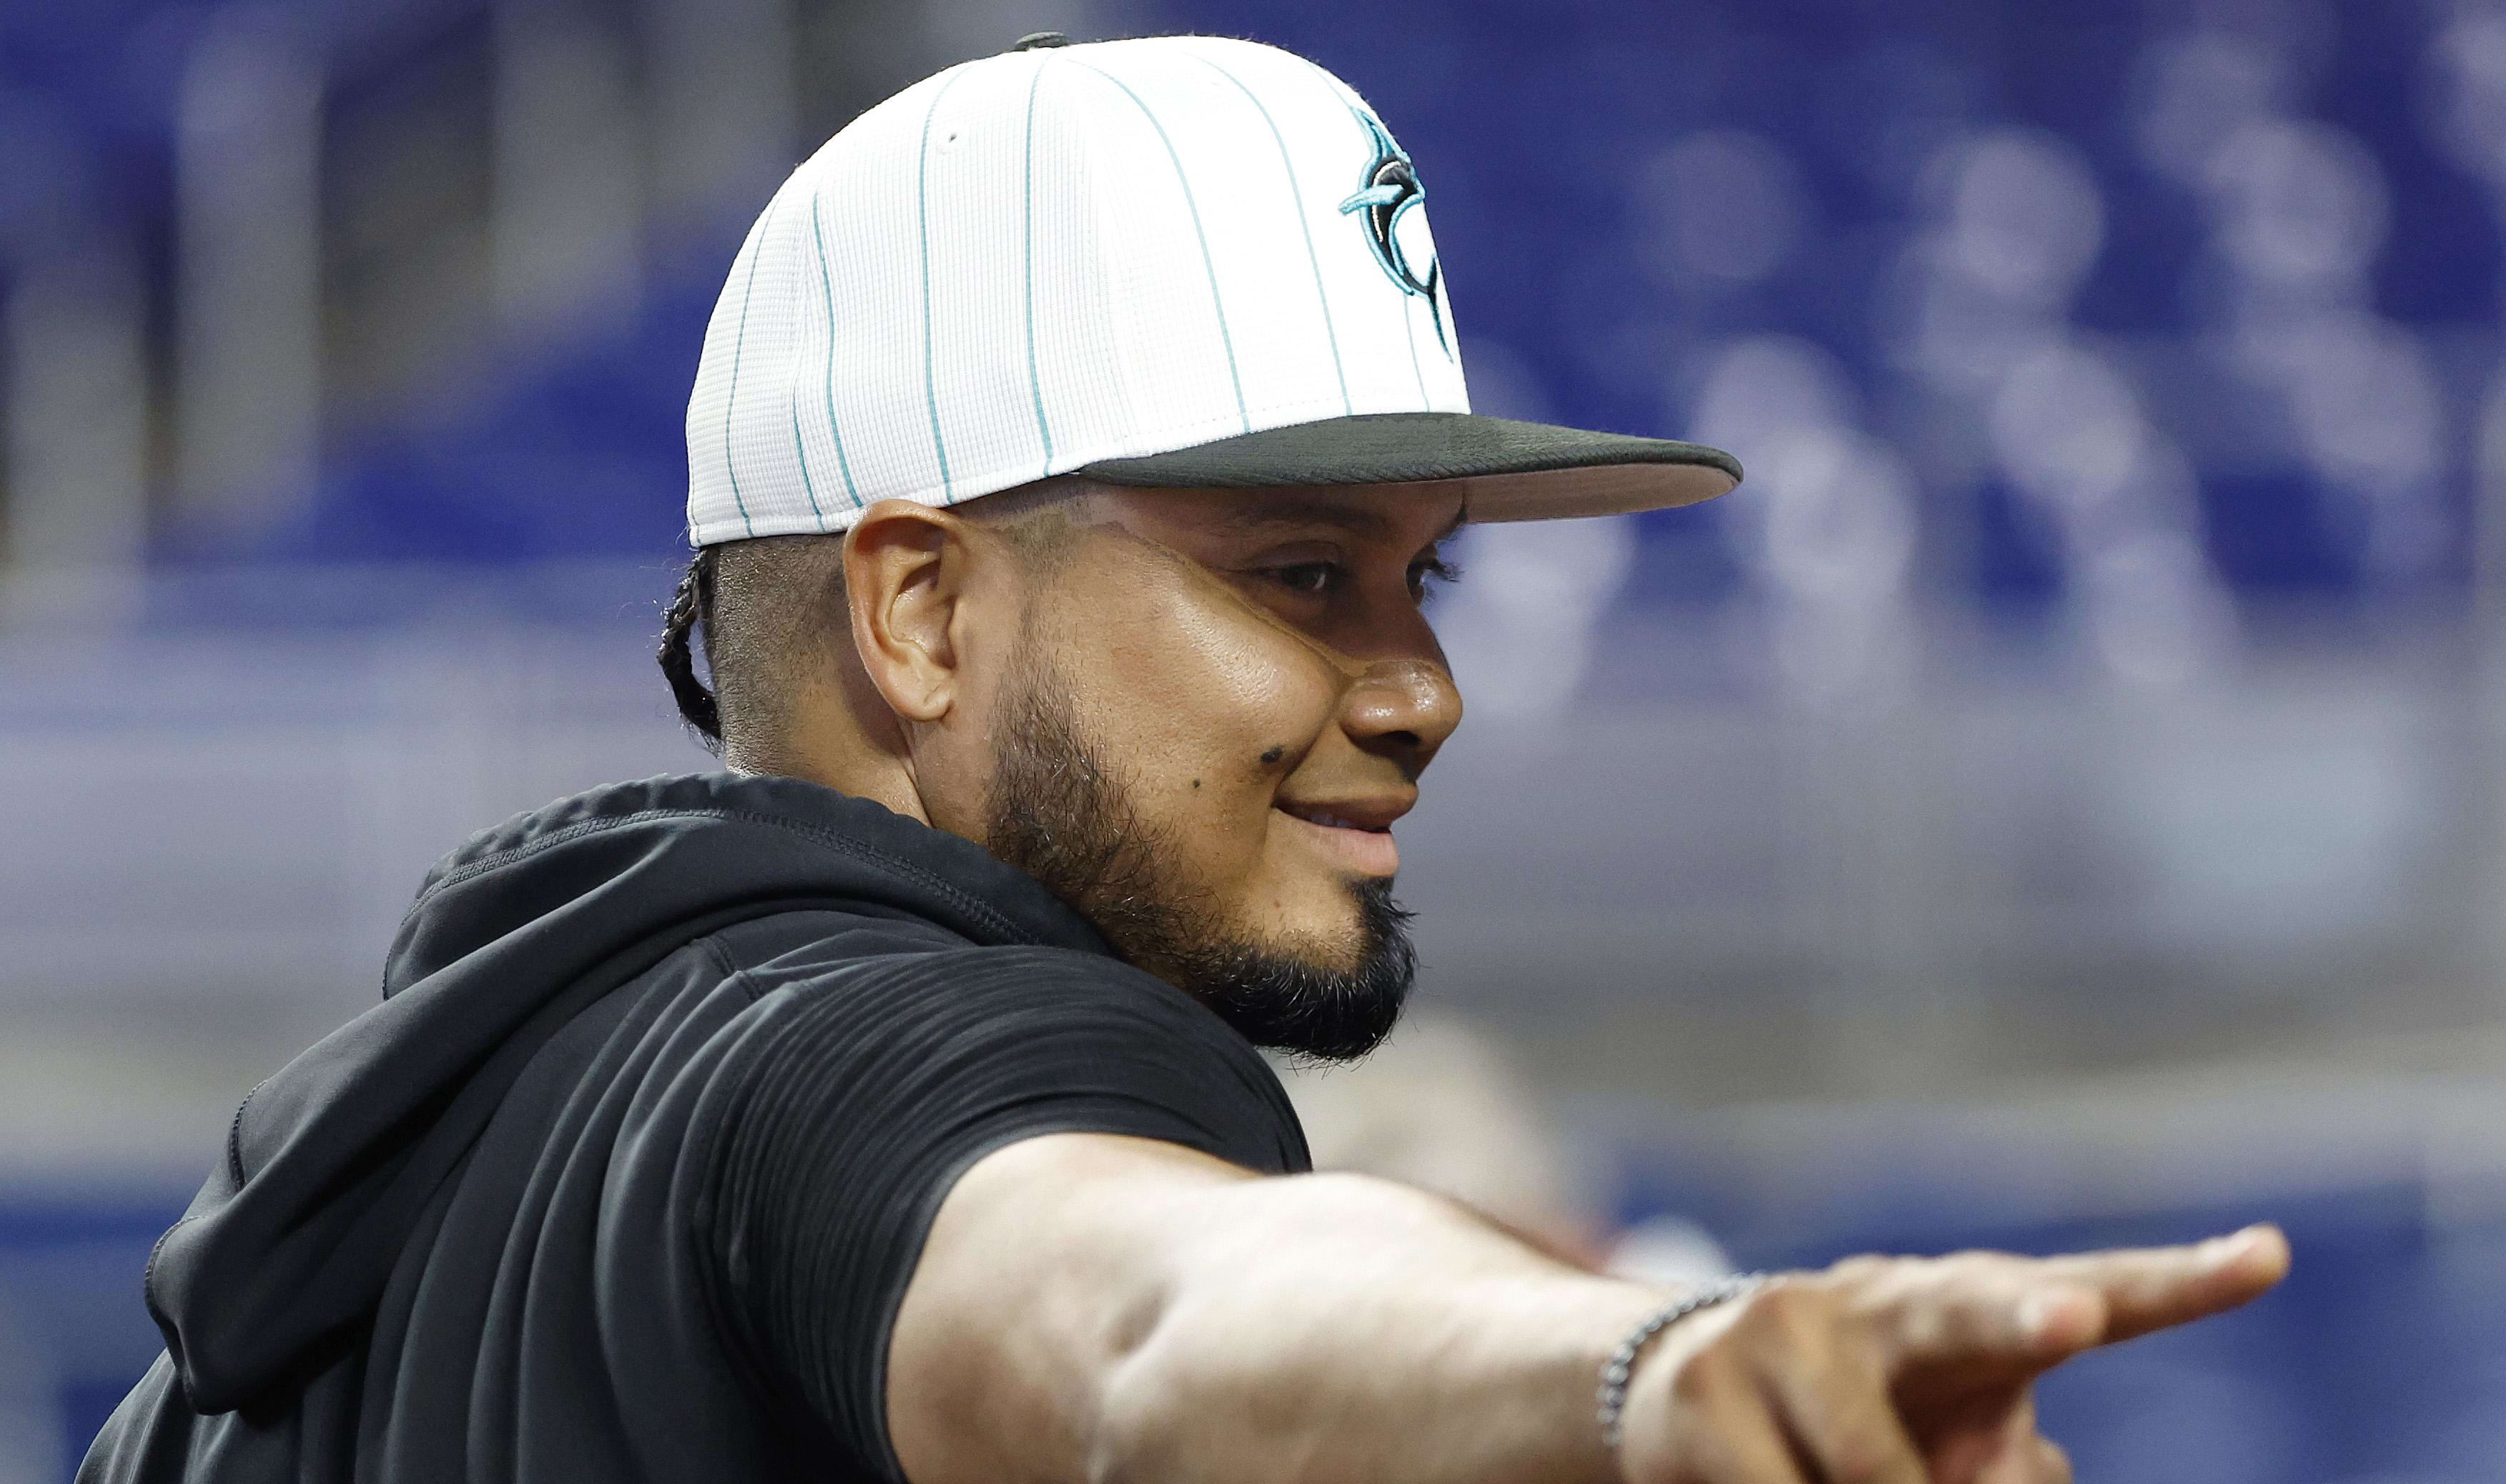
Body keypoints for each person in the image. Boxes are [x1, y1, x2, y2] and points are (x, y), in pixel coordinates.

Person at [82, 32, 2287, 1484]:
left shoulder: (364, 1210)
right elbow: (1145, 1318)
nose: (1423, 686)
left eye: (1423, 580)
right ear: (919, 609)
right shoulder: (880, 1053)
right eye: (1303, 573)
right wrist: (1636, 1373)